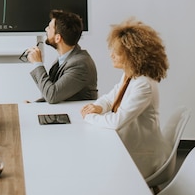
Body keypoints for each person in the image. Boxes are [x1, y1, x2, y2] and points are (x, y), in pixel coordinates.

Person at [81, 18, 169, 179]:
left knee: (93, 167)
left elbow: (117, 121)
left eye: (117, 52)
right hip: (133, 146)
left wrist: (90, 117)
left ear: (132, 55)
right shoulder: (130, 75)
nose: (111, 55)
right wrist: (98, 107)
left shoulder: (143, 84)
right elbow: (110, 98)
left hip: (144, 156)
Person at [26, 9, 98, 103]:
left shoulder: (80, 64)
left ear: (58, 38)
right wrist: (34, 105)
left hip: (76, 116)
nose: (46, 29)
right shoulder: (64, 59)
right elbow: (52, 92)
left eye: (50, 27)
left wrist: (37, 64)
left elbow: (52, 95)